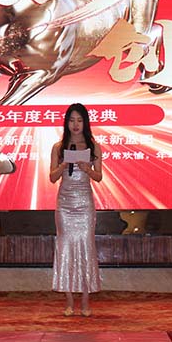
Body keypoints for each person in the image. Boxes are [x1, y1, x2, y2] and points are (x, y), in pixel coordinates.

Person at [49, 103, 102, 317]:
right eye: (72, 120)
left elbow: (99, 177)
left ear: (85, 123)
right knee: (66, 248)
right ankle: (69, 301)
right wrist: (63, 165)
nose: (76, 125)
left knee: (86, 247)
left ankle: (86, 301)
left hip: (84, 203)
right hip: (65, 204)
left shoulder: (93, 146)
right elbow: (52, 177)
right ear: (66, 123)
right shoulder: (58, 147)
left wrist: (87, 169)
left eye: (79, 120)